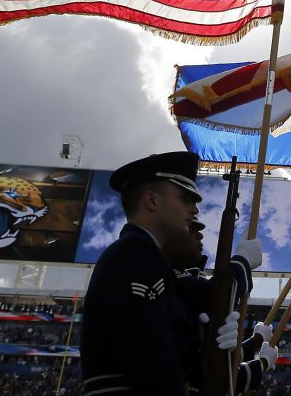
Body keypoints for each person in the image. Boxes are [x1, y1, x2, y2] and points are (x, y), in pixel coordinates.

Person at [79, 151, 204, 396]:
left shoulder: (146, 257)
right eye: (185, 198)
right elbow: (152, 365)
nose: (194, 209)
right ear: (152, 201)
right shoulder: (135, 256)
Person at [167, 218, 278, 394]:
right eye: (190, 228)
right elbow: (212, 296)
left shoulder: (187, 279)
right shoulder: (167, 274)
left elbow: (215, 362)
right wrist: (242, 262)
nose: (200, 235)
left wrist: (256, 341)